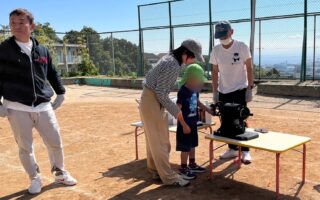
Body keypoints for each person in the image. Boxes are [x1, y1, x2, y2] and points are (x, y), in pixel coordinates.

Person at [0, 9, 77, 194]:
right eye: (12, 23)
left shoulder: (42, 49)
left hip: (43, 105)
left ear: (32, 26)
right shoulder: (3, 50)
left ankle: (59, 172)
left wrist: (60, 92)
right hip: (16, 106)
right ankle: (34, 178)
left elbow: (51, 72)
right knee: (25, 147)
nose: (16, 26)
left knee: (55, 141)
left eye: (20, 22)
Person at [140, 39, 204, 187]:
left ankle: (156, 170)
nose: (195, 60)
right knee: (161, 143)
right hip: (153, 101)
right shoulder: (172, 64)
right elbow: (161, 94)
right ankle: (169, 177)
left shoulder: (170, 60)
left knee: (154, 141)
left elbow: (159, 88)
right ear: (186, 53)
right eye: (194, 56)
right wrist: (177, 113)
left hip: (151, 100)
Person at [209, 21, 254, 164]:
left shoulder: (242, 46)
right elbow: (215, 71)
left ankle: (245, 151)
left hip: (240, 89)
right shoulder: (216, 50)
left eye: (225, 34)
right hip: (223, 90)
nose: (222, 38)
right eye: (220, 36)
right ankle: (233, 149)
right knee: (226, 120)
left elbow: (250, 67)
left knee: (241, 119)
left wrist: (249, 88)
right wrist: (215, 92)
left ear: (232, 32)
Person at [176, 64, 211, 180]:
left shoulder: (195, 91)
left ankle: (192, 164)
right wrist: (184, 125)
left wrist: (208, 110)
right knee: (185, 147)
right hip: (184, 125)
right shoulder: (182, 92)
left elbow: (198, 102)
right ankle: (183, 168)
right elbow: (177, 110)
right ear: (191, 78)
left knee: (192, 145)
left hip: (193, 123)